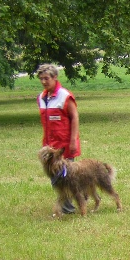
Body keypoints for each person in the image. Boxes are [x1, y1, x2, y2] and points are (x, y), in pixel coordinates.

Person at [37, 63, 80, 214]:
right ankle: (71, 203)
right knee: (55, 177)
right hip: (50, 146)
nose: (43, 81)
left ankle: (70, 206)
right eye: (41, 79)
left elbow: (75, 117)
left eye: (46, 78)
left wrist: (73, 140)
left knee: (68, 177)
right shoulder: (42, 98)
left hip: (64, 144)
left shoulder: (64, 95)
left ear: (55, 77)